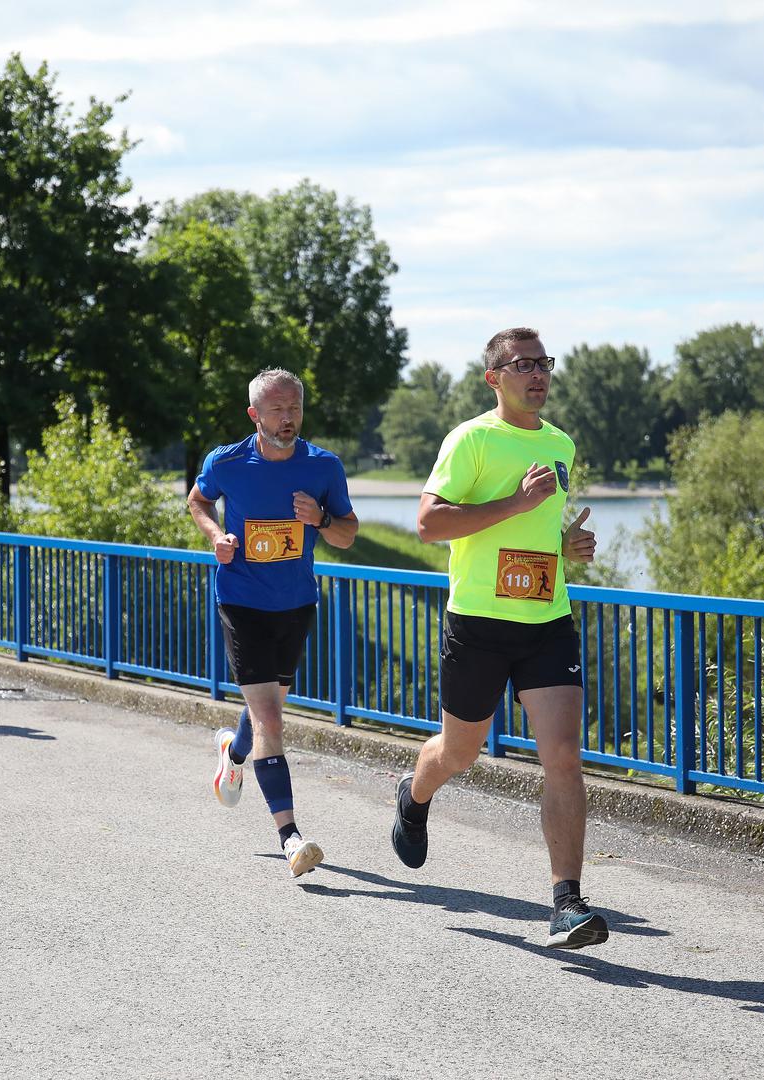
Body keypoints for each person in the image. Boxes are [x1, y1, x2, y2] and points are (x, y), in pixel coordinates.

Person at [392, 327, 605, 950]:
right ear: (494, 378)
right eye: (523, 365)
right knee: (459, 753)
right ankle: (414, 794)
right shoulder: (471, 439)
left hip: (546, 621)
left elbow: (539, 531)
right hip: (479, 624)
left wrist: (565, 548)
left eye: (544, 363)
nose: (538, 375)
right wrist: (514, 502)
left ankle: (567, 903)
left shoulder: (560, 444)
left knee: (563, 757)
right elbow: (429, 524)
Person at [187, 368, 359, 878]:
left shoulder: (323, 466)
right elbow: (197, 499)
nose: (288, 418)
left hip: (295, 603)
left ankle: (232, 751)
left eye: (295, 408)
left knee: (267, 711)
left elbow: (347, 534)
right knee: (271, 719)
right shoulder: (226, 461)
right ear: (254, 414)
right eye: (277, 409)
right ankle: (291, 838)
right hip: (241, 601)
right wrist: (215, 536)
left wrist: (320, 520)